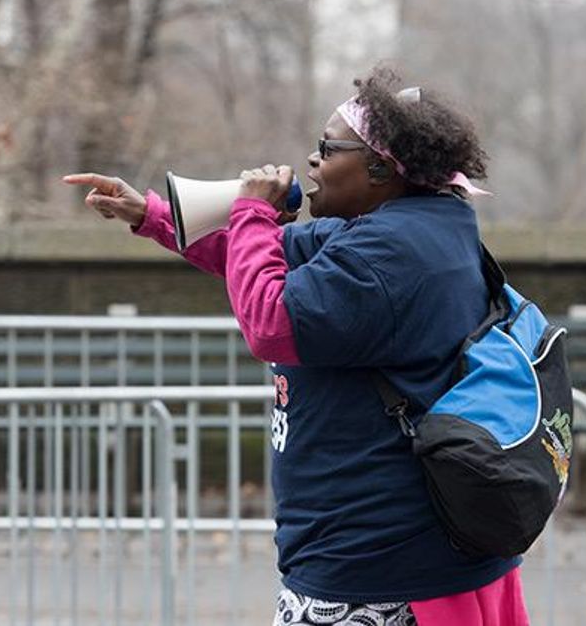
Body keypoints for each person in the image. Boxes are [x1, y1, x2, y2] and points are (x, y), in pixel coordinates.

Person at [63, 67, 530, 626]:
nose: (311, 162)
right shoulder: (415, 226)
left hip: (377, 569)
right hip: (417, 554)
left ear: (380, 169)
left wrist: (254, 211)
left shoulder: (382, 256)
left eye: (326, 149)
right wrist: (149, 215)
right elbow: (256, 258)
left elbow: (269, 323)